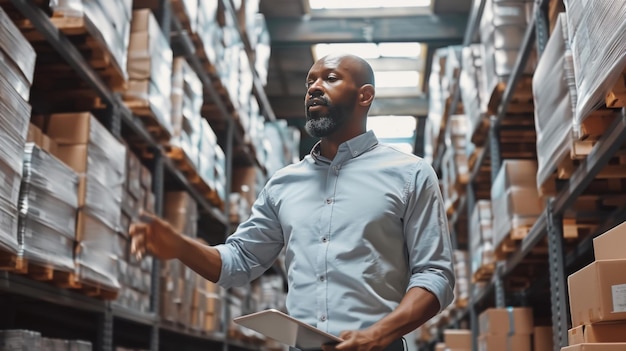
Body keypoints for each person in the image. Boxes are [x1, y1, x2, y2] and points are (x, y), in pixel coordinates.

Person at [131, 53, 455, 351]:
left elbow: (434, 275)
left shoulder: (410, 174)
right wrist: (179, 246)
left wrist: (378, 334)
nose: (314, 87)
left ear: (364, 96)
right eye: (309, 81)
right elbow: (239, 262)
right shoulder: (283, 184)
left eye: (330, 78)